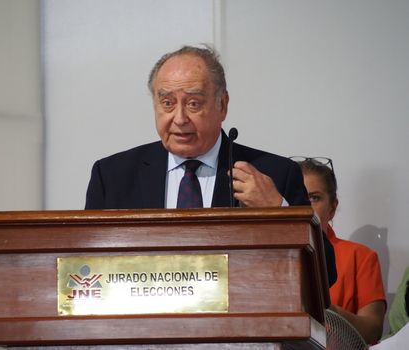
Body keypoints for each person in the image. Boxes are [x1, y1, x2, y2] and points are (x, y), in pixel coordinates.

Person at [85, 45, 336, 286]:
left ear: (222, 105)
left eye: (193, 103)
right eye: (168, 103)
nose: (180, 119)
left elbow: (326, 273)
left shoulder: (274, 174)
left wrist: (279, 212)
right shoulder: (113, 176)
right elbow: (86, 265)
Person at [295, 157, 386, 344]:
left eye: (314, 198)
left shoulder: (361, 256)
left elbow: (373, 329)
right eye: (298, 196)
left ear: (332, 208)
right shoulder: (270, 256)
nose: (305, 206)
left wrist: (330, 312)